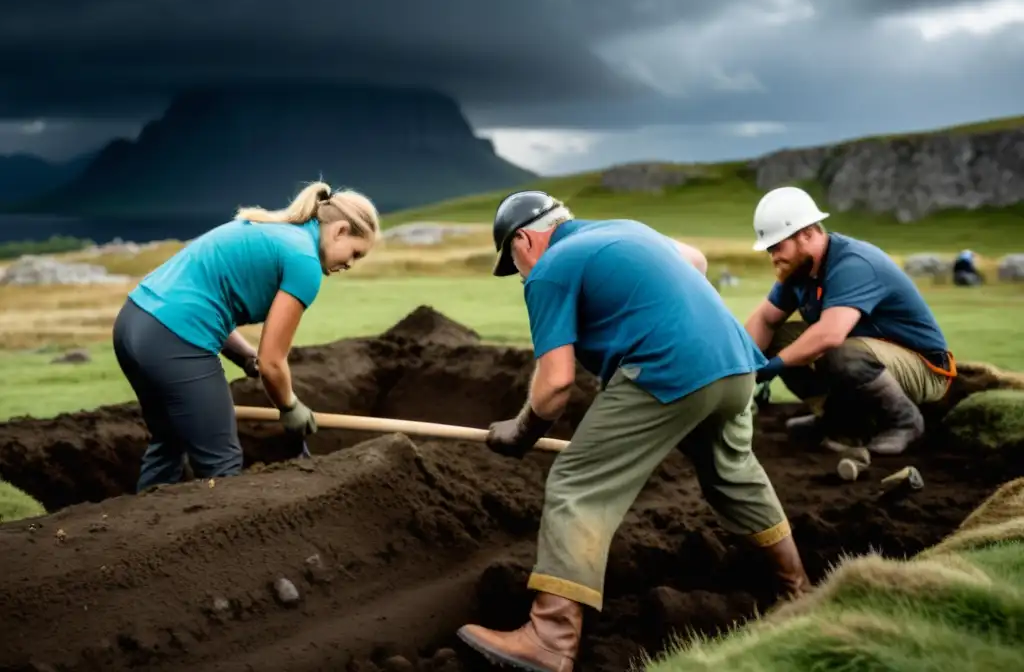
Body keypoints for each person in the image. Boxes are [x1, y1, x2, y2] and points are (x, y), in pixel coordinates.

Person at [456, 191, 810, 672]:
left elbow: (555, 386)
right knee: (734, 475)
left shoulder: (548, 268)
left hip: (669, 369)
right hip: (734, 363)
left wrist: (520, 433)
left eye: (512, 260)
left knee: (577, 484)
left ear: (524, 239)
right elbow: (696, 260)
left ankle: (550, 638)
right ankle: (798, 592)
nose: (518, 271)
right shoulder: (625, 229)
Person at [112, 181, 380, 492]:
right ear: (340, 230)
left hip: (133, 325)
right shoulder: (304, 261)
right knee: (221, 465)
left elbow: (204, 301)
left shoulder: (268, 229)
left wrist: (243, 356)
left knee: (168, 444)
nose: (349, 264)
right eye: (355, 253)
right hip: (174, 339)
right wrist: (290, 406)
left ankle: (148, 533)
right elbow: (272, 362)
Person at [743, 186, 956, 455]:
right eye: (769, 250)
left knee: (839, 351)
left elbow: (830, 334)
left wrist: (775, 365)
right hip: (873, 358)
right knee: (784, 337)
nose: (774, 256)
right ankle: (838, 421)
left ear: (807, 233)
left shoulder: (853, 263)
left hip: (925, 368)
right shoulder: (798, 270)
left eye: (777, 246)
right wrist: (742, 366)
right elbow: (765, 319)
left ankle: (904, 422)